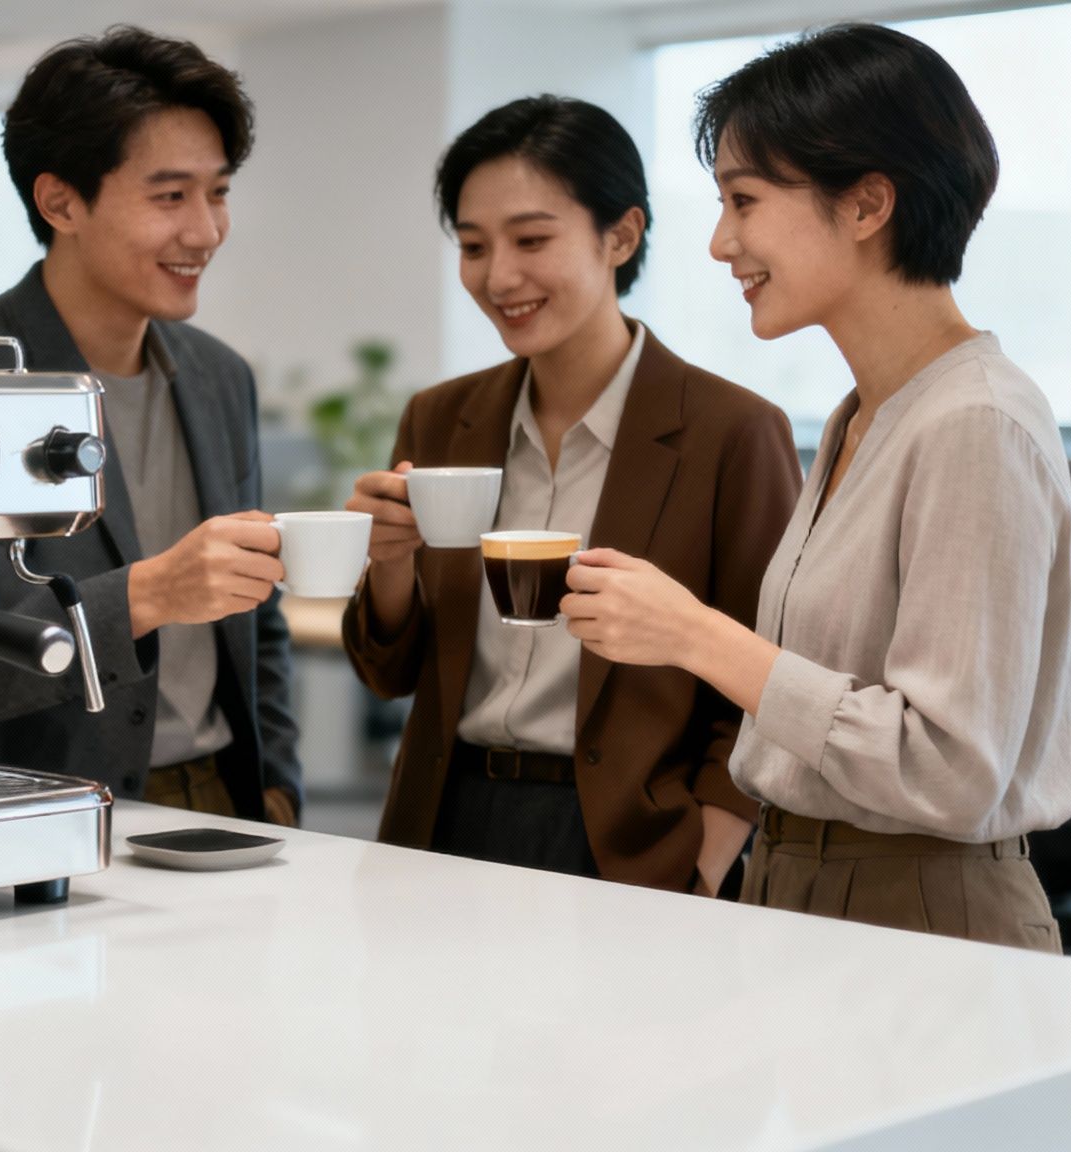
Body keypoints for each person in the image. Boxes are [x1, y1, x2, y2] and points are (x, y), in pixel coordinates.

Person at [560, 24, 1071, 950]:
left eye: (745, 200)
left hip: (921, 909)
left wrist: (695, 635)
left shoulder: (975, 423)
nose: (721, 242)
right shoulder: (862, 417)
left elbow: (950, 768)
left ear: (868, 203)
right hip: (799, 883)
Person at [340, 95, 800, 893]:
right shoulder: (441, 418)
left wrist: (703, 862)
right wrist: (387, 563)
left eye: (531, 239)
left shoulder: (731, 432)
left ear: (620, 235)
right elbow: (391, 674)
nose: (498, 276)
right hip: (443, 819)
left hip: (632, 843)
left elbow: (766, 680)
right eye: (474, 246)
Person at [0, 26, 300, 825]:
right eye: (170, 197)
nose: (205, 231)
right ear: (61, 202)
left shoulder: (219, 377)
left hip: (224, 798)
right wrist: (144, 596)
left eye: (218, 192)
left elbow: (258, 616)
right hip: (40, 814)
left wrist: (276, 786)